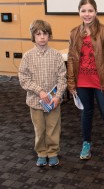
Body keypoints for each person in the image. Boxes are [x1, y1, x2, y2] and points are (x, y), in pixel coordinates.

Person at [67, 0, 104, 163]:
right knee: (86, 113)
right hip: (81, 81)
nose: (87, 14)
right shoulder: (74, 32)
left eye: (90, 10)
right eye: (83, 11)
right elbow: (71, 58)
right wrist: (71, 82)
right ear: (79, 12)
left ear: (96, 12)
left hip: (100, 82)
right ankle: (86, 143)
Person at [19, 19, 67, 167]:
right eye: (38, 34)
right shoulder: (27, 56)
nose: (42, 37)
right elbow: (23, 78)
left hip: (53, 101)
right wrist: (39, 91)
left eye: (45, 34)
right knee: (39, 129)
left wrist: (58, 96)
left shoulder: (56, 55)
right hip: (35, 101)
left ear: (49, 35)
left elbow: (62, 77)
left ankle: (52, 152)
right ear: (33, 36)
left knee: (53, 127)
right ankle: (41, 152)